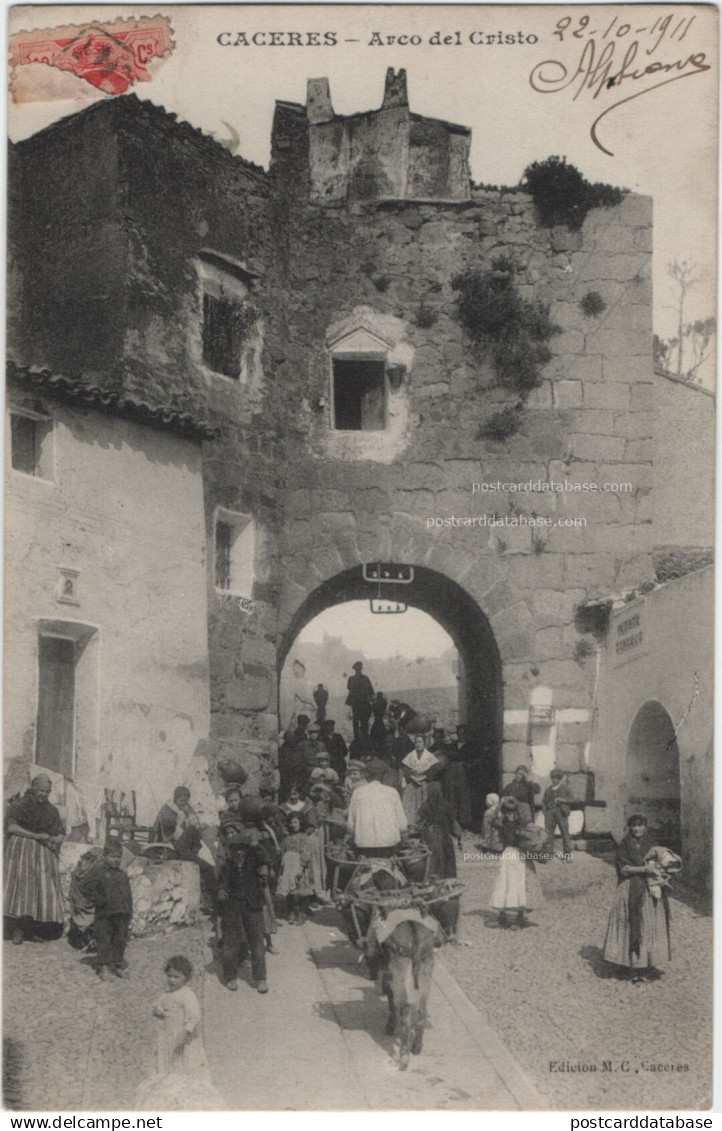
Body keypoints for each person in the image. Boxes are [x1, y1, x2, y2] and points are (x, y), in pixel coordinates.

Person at [603, 814, 677, 983]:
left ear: (645, 826)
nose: (637, 829)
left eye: (640, 825)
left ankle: (646, 965)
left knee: (648, 924)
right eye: (634, 825)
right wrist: (644, 869)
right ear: (629, 827)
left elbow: (662, 861)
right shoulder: (624, 845)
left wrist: (662, 868)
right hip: (630, 888)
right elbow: (623, 868)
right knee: (629, 923)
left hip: (649, 888)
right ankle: (629, 966)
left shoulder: (652, 844)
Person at [217, 796, 271, 993]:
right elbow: (223, 880)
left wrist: (256, 847)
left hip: (253, 904)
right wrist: (222, 890)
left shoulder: (254, 858)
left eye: (242, 848)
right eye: (235, 848)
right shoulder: (228, 864)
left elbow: (266, 858)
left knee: (257, 943)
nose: (239, 852)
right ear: (231, 849)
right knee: (230, 942)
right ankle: (230, 976)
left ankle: (260, 978)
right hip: (233, 905)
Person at [4, 773, 65, 944]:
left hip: (43, 853)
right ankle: (17, 929)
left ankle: (32, 930)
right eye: (41, 791)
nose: (44, 795)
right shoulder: (20, 805)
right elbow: (12, 827)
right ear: (33, 789)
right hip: (22, 850)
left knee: (40, 890)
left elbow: (59, 830)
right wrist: (34, 835)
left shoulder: (51, 810)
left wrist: (58, 837)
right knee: (22, 888)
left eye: (47, 791)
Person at [81, 841, 133, 980]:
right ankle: (103, 968)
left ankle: (117, 965)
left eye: (119, 857)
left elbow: (128, 895)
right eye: (113, 857)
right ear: (105, 856)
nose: (116, 860)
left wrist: (129, 912)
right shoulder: (98, 871)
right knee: (104, 940)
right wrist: (99, 900)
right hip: (105, 914)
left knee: (120, 940)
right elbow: (85, 887)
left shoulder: (122, 874)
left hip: (122, 914)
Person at [151, 956, 208, 1075]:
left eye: (176, 977)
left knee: (184, 1061)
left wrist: (185, 1031)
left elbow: (194, 1015)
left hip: (182, 1034)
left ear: (186, 978)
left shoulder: (187, 994)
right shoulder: (166, 994)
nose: (172, 980)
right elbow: (158, 1005)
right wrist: (158, 1011)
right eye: (170, 976)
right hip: (168, 1034)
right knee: (168, 1061)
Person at [490, 797, 539, 929]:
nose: (510, 815)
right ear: (504, 812)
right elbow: (491, 820)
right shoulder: (503, 824)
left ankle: (519, 917)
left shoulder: (520, 824)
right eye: (507, 812)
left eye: (512, 812)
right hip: (507, 855)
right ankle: (502, 915)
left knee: (518, 884)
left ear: (516, 812)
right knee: (503, 883)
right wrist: (499, 806)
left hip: (518, 856)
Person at [346, 758, 408, 855]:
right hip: (390, 846)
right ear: (385, 776)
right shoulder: (392, 792)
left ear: (367, 775)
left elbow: (350, 826)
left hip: (364, 847)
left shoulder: (358, 792)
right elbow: (403, 826)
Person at [417, 781, 462, 880]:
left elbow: (419, 823)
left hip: (429, 837)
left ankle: (430, 879)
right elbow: (455, 825)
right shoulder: (447, 806)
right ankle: (446, 881)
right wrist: (459, 837)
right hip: (444, 838)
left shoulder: (425, 806)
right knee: (446, 858)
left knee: (430, 859)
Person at [275, 811, 314, 924]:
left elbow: (306, 853)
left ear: (301, 823)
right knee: (289, 890)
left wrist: (302, 866)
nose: (293, 824)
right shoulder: (287, 837)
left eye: (296, 822)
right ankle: (291, 911)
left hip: (298, 864)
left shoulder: (304, 837)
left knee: (300, 888)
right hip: (287, 864)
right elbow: (282, 850)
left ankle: (301, 913)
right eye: (291, 822)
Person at [401, 735, 438, 826]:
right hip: (413, 781)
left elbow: (433, 770)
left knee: (423, 801)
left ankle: (423, 824)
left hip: (424, 781)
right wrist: (412, 778)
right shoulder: (410, 755)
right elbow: (405, 769)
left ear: (424, 743)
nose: (418, 744)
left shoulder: (429, 756)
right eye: (416, 742)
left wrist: (425, 778)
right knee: (409, 800)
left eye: (420, 742)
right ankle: (411, 824)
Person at [542, 769, 574, 860]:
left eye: (557, 778)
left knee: (565, 833)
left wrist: (562, 799)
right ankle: (549, 854)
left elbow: (572, 799)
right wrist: (545, 811)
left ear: (560, 779)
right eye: (553, 778)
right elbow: (543, 801)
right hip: (550, 814)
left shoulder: (565, 788)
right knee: (549, 834)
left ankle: (567, 855)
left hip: (561, 813)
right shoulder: (548, 789)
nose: (554, 780)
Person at [346, 661, 375, 739]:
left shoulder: (365, 678)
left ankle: (364, 739)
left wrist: (368, 699)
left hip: (365, 704)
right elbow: (349, 689)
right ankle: (357, 740)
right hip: (356, 704)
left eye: (359, 668)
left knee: (364, 723)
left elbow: (371, 691)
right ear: (355, 669)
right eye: (357, 668)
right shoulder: (351, 679)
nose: (358, 670)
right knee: (355, 722)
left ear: (361, 669)